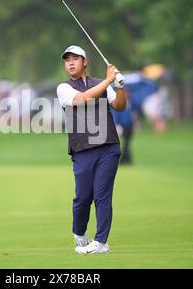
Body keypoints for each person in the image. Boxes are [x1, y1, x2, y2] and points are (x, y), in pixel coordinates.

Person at [56, 45, 126, 254]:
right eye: (67, 59)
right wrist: (108, 80)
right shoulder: (63, 88)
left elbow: (120, 106)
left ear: (84, 61)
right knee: (83, 197)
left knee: (102, 195)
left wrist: (119, 86)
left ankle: (102, 242)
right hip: (82, 149)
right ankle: (79, 232)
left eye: (75, 58)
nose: (70, 62)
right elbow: (83, 99)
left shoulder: (101, 84)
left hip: (108, 147)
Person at [111, 89, 133, 164]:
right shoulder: (120, 103)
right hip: (122, 125)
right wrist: (117, 124)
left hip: (129, 125)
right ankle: (125, 159)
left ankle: (126, 158)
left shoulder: (129, 103)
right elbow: (116, 115)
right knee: (123, 143)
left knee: (127, 143)